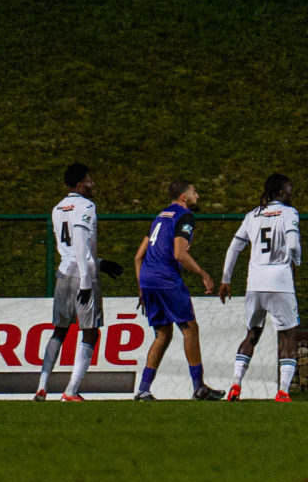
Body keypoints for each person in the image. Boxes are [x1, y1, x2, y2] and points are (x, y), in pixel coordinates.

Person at [133, 182, 222, 400]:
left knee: (163, 334)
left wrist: (142, 288)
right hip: (166, 279)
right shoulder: (184, 216)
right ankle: (199, 387)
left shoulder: (159, 217)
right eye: (194, 193)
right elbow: (179, 254)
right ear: (184, 196)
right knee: (190, 328)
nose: (197, 196)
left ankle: (143, 389)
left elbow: (138, 257)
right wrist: (204, 274)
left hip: (147, 279)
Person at [221, 174, 304, 401]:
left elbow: (234, 248)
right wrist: (296, 262)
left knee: (252, 334)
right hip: (279, 282)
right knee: (288, 336)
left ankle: (236, 385)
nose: (292, 192)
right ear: (280, 192)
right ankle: (283, 392)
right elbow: (294, 244)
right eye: (289, 188)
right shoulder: (289, 213)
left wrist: (225, 280)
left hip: (255, 284)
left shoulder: (252, 215)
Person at [39, 166, 118, 401]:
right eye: (90, 180)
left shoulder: (57, 208)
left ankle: (41, 386)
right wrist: (86, 278)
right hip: (82, 274)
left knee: (60, 330)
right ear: (81, 185)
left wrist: (101, 261)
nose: (93, 184)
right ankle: (71, 391)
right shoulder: (86, 206)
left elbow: (67, 246)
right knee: (91, 332)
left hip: (63, 272)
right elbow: (81, 242)